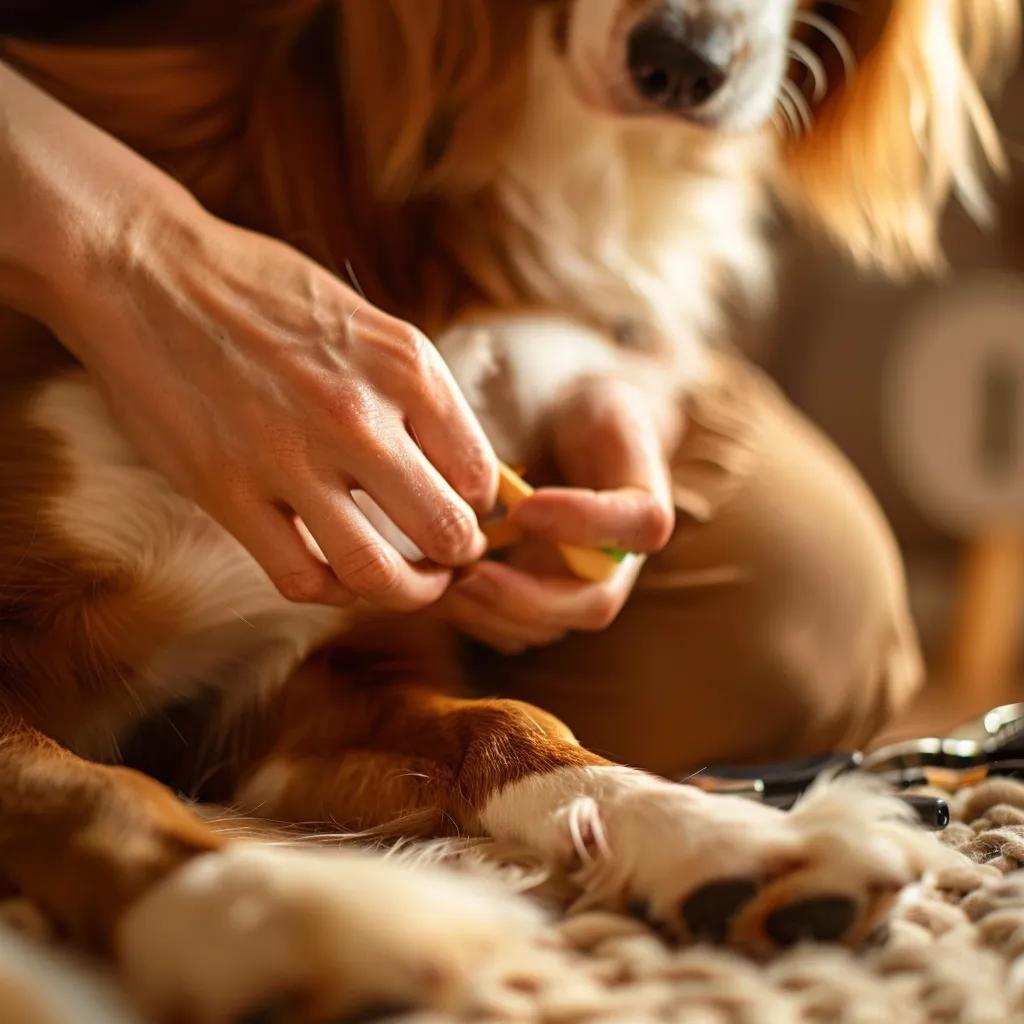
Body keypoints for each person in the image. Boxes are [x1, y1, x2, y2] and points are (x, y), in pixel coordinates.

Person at [0, 11, 922, 777]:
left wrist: (607, 374)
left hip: (522, 247)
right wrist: (136, 255)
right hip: (78, 142)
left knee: (804, 611)